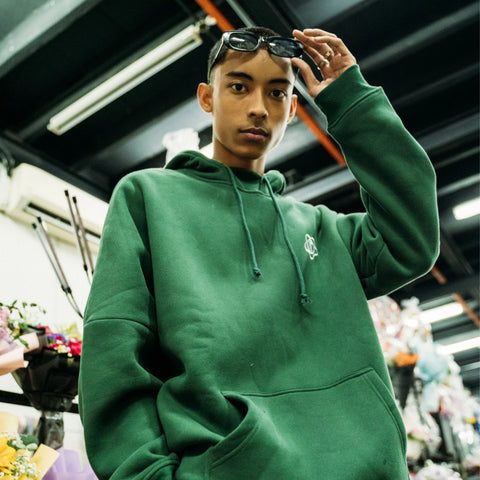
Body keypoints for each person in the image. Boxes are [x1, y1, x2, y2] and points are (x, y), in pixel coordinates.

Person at [78, 26, 439, 479]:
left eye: (276, 93)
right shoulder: (148, 197)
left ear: (292, 109)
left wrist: (350, 100)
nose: (258, 108)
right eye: (238, 86)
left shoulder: (324, 230)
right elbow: (114, 355)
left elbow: (412, 238)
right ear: (207, 98)